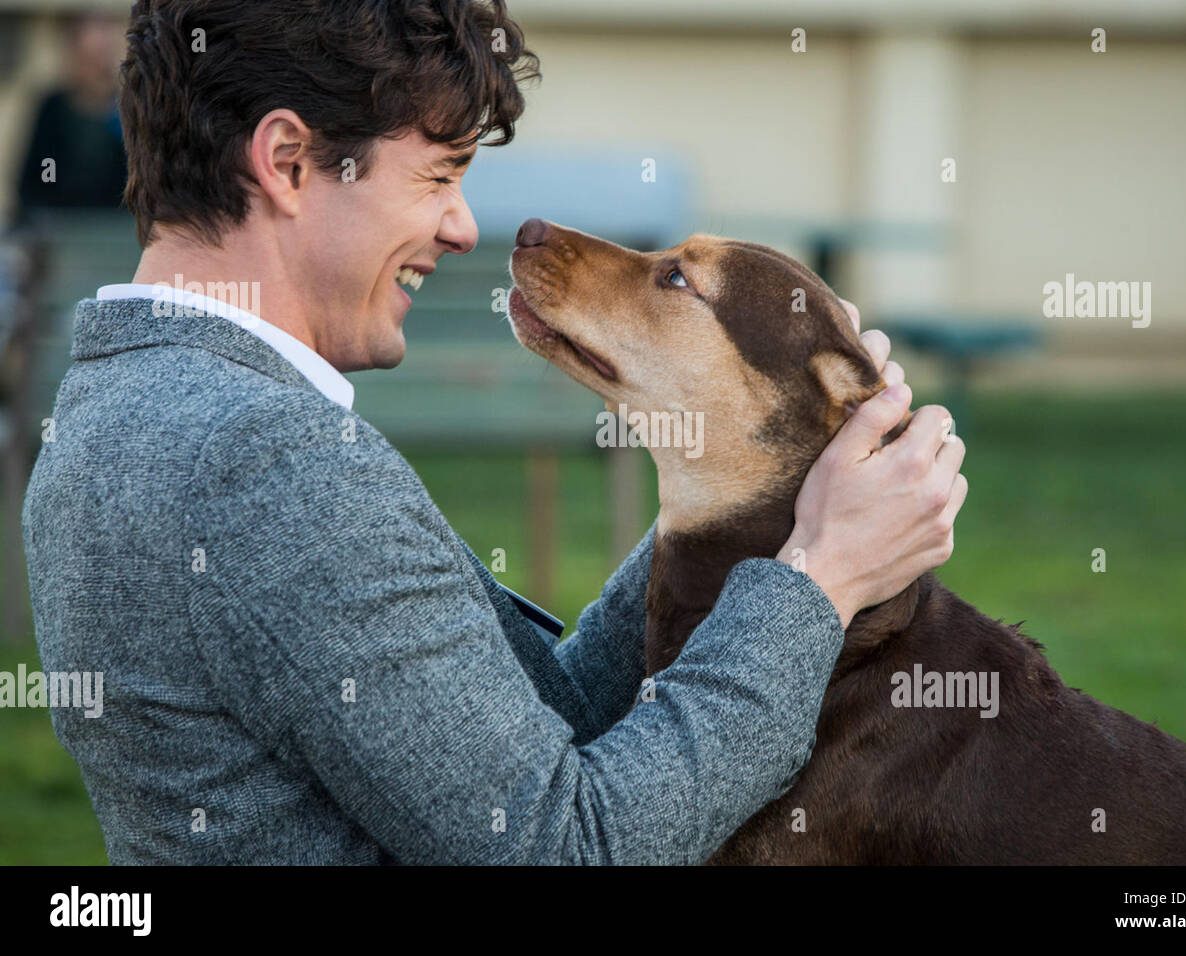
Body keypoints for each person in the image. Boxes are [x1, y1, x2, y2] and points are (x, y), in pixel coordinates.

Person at [22, 0, 966, 864]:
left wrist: (760, 466)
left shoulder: (112, 409)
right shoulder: (268, 465)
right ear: (288, 162)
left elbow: (526, 740)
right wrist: (820, 582)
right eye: (437, 175)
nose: (464, 225)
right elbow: (567, 844)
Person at [14, 13, 129, 218]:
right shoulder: (54, 109)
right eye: (90, 59)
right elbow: (36, 183)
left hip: (116, 232)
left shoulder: (127, 111)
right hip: (62, 229)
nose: (98, 69)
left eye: (103, 58)